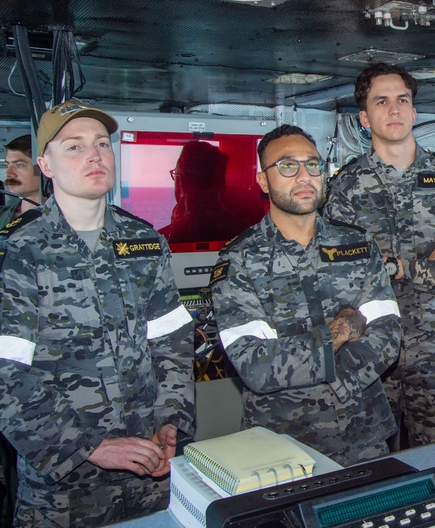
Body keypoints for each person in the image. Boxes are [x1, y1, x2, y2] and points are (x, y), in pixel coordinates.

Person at [0, 101, 194, 526]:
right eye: (74, 147)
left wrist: (171, 421)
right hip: (64, 487)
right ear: (44, 165)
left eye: (102, 144)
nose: (94, 155)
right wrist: (88, 446)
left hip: (149, 470)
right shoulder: (17, 251)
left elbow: (172, 342)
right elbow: (6, 375)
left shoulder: (143, 241)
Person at [212, 125, 401, 465]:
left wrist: (338, 382)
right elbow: (256, 364)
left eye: (313, 165)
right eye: (287, 166)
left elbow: (388, 333)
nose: (304, 176)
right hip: (281, 443)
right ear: (263, 181)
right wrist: (339, 331)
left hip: (365, 436)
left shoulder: (358, 245)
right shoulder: (238, 259)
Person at [323, 63, 435, 449]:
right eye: (382, 102)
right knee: (369, 463)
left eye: (402, 101)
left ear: (414, 113)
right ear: (365, 118)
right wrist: (431, 263)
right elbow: (338, 282)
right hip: (369, 353)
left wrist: (395, 266)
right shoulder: (345, 188)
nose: (394, 110)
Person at [158, 140, 257, 245]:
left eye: (176, 175)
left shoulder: (162, 241)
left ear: (182, 182)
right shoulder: (250, 235)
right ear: (221, 183)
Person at [0, 135, 43, 229]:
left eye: (19, 165)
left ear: (44, 167)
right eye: (7, 165)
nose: (8, 173)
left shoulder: (68, 219)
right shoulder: (2, 216)